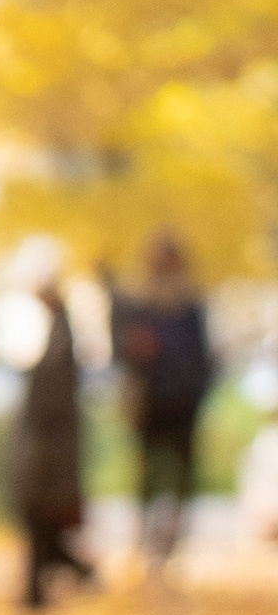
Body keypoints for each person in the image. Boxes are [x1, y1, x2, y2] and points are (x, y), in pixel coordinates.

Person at [106, 232, 216, 575]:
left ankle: (174, 539)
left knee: (182, 473)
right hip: (150, 401)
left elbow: (203, 356)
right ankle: (145, 538)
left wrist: (197, 390)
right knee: (147, 473)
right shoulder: (139, 306)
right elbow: (123, 351)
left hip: (183, 402)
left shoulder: (191, 306)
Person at [8, 273, 95, 611]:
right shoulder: (57, 336)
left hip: (46, 450)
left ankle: (37, 593)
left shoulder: (59, 340)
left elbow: (48, 400)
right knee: (43, 525)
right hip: (46, 449)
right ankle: (48, 586)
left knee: (39, 520)